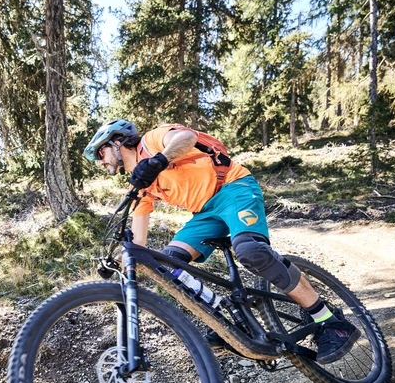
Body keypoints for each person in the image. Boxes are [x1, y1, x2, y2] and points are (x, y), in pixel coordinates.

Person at [84, 119, 359, 364]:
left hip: (233, 188)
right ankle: (230, 324)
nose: (100, 161)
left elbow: (186, 139)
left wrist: (159, 160)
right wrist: (119, 263)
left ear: (118, 142)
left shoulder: (152, 140)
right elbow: (139, 243)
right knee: (168, 266)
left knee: (251, 251)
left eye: (101, 152)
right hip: (205, 213)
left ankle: (330, 321)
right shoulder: (142, 185)